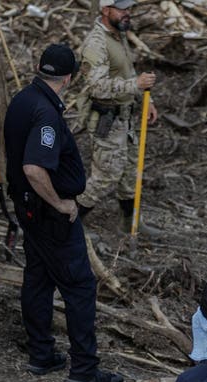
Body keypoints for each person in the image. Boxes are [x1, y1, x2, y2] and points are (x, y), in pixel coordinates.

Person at [3, 44, 123, 382]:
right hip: (47, 212)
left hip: (28, 207)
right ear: (70, 78)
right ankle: (84, 369)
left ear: (40, 67)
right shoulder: (46, 114)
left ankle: (42, 353)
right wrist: (61, 204)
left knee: (38, 277)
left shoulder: (23, 99)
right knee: (80, 286)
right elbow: (33, 167)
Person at [75, 0, 161, 235]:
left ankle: (130, 224)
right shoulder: (96, 43)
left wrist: (146, 99)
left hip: (126, 118)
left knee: (130, 174)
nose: (127, 13)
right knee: (105, 177)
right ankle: (70, 223)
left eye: (128, 9)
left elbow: (128, 71)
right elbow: (96, 87)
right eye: (122, 9)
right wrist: (136, 85)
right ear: (105, 10)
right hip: (107, 120)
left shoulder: (118, 35)